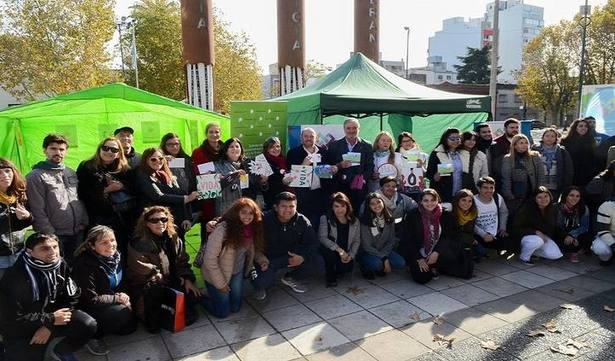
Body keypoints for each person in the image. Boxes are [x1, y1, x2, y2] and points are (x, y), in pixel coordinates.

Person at [0, 233, 97, 361]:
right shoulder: (14, 276)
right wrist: (49, 320)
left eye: (55, 247)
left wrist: (50, 325)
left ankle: (61, 351)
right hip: (25, 326)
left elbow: (72, 296)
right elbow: (11, 318)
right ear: (29, 252)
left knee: (88, 324)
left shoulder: (60, 264)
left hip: (54, 319)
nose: (53, 252)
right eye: (45, 248)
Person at [127, 206, 201, 333]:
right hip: (150, 285)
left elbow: (182, 261)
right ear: (146, 223)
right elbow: (140, 269)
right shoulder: (139, 242)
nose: (160, 223)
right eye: (154, 220)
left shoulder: (174, 238)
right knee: (156, 295)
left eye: (163, 219)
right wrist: (160, 278)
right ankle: (151, 318)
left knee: (192, 296)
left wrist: (187, 278)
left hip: (171, 279)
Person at [71, 226, 137, 355]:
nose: (111, 245)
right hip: (87, 306)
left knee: (129, 328)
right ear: (92, 245)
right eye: (104, 242)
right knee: (122, 313)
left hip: (107, 298)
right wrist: (117, 299)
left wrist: (124, 295)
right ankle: (91, 336)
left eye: (112, 240)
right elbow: (91, 299)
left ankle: (107, 323)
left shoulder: (116, 257)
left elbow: (121, 282)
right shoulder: (84, 265)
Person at [26, 134, 88, 262]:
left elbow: (78, 199)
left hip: (77, 232)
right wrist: (49, 234)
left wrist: (84, 221)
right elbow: (37, 209)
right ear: (45, 150)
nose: (58, 152)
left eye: (61, 149)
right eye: (53, 149)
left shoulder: (70, 172)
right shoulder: (35, 176)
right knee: (57, 269)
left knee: (76, 266)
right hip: (55, 235)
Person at [201, 198, 264, 318]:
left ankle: (217, 296)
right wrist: (220, 284)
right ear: (236, 213)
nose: (247, 216)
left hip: (236, 271)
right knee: (223, 313)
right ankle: (201, 297)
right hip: (216, 273)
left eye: (251, 213)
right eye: (243, 212)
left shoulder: (252, 229)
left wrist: (262, 260)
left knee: (235, 308)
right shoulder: (222, 229)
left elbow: (252, 251)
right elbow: (209, 260)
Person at [252, 192, 317, 300]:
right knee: (261, 283)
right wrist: (259, 257)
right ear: (276, 207)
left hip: (290, 255)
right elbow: (251, 243)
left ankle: (291, 277)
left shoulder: (302, 220)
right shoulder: (263, 220)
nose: (288, 210)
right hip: (268, 258)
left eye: (291, 206)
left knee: (318, 262)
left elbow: (313, 243)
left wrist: (303, 257)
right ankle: (264, 284)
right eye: (284, 206)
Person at [76, 137, 134, 252]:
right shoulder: (87, 166)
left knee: (119, 249)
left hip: (120, 218)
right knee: (99, 249)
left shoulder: (124, 168)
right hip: (97, 217)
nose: (109, 152)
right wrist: (107, 190)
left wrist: (122, 186)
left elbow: (135, 188)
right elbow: (82, 192)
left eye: (114, 150)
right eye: (105, 148)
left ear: (119, 153)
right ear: (99, 149)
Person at [135, 148, 199, 237]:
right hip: (155, 221)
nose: (158, 161)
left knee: (177, 246)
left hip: (175, 220)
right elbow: (157, 196)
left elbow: (180, 193)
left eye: (161, 158)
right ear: (146, 160)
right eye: (153, 159)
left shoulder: (165, 173)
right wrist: (186, 198)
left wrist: (187, 218)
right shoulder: (142, 174)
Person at [287, 127, 334, 229]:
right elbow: (292, 177)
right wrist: (304, 164)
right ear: (301, 138)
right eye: (306, 136)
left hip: (320, 193)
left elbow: (328, 174)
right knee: (303, 222)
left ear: (315, 138)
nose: (308, 138)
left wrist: (331, 170)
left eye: (311, 136)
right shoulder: (293, 153)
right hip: (303, 195)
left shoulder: (324, 152)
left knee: (319, 222)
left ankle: (317, 243)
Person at [405, 189, 456, 284]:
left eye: (433, 200)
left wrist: (436, 252)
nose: (430, 203)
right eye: (426, 200)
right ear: (420, 202)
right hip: (419, 251)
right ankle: (425, 267)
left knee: (454, 260)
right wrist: (419, 258)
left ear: (438, 200)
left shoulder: (445, 214)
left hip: (437, 249)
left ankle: (434, 266)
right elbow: (408, 239)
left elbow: (447, 236)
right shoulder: (413, 215)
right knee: (422, 278)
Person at [326, 118, 374, 211]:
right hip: (340, 187)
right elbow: (330, 166)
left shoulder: (367, 145)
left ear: (359, 129)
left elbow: (370, 165)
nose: (351, 131)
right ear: (344, 129)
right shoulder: (334, 146)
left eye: (354, 128)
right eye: (348, 128)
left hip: (359, 189)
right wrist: (339, 165)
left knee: (357, 213)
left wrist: (363, 179)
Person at [357, 192, 406, 279]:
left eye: (378, 202)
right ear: (368, 206)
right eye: (372, 204)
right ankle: (366, 266)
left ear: (383, 202)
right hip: (368, 252)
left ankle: (381, 266)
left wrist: (384, 255)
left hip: (384, 250)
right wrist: (384, 258)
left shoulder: (389, 219)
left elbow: (391, 241)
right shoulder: (364, 222)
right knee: (377, 264)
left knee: (400, 263)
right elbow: (366, 246)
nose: (376, 205)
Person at [319, 192, 361, 287]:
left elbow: (357, 240)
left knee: (346, 269)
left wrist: (351, 255)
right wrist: (340, 251)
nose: (340, 209)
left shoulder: (355, 221)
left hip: (346, 251)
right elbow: (322, 238)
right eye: (336, 206)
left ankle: (338, 268)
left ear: (347, 207)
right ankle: (330, 276)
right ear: (332, 207)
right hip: (333, 250)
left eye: (342, 206)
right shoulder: (325, 218)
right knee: (327, 252)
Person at [513, 187, 564, 265]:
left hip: (542, 237)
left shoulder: (552, 209)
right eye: (539, 197)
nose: (543, 199)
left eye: (546, 196)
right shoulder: (527, 209)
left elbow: (553, 228)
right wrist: (535, 232)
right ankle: (524, 257)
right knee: (537, 241)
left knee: (556, 255)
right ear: (534, 199)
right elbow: (516, 228)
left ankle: (532, 252)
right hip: (525, 237)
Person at [192, 122, 224, 243]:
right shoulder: (199, 152)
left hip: (225, 191)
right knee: (208, 224)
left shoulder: (225, 149)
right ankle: (205, 253)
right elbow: (196, 171)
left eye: (217, 132)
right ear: (206, 134)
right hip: (208, 192)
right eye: (211, 132)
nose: (214, 134)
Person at [0, 158, 32, 278]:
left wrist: (27, 217)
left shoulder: (18, 194)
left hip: (19, 252)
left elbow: (20, 225)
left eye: (8, 171)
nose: (5, 175)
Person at [214, 138, 262, 216]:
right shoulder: (218, 165)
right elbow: (215, 187)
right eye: (231, 147)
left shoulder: (249, 163)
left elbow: (256, 185)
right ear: (226, 150)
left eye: (237, 146)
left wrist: (263, 181)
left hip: (248, 207)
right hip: (227, 207)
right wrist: (233, 175)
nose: (235, 149)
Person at [426, 128, 474, 203]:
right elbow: (429, 174)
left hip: (461, 194)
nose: (455, 141)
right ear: (445, 139)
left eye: (458, 138)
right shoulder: (437, 153)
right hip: (443, 193)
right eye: (452, 139)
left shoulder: (463, 153)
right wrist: (437, 175)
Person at [501, 134, 546, 213]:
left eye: (526, 143)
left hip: (532, 192)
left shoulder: (535, 156)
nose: (524, 145)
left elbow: (541, 174)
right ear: (515, 145)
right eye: (521, 143)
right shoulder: (508, 159)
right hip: (517, 195)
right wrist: (508, 194)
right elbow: (506, 178)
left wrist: (540, 191)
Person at [531, 128, 574, 202]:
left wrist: (565, 185)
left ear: (556, 138)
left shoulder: (562, 151)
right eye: (547, 136)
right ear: (542, 137)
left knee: (552, 206)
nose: (549, 138)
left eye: (552, 136)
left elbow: (569, 170)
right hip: (538, 185)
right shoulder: (535, 150)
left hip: (555, 186)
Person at [473, 177, 511, 255]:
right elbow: (470, 222)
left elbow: (504, 212)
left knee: (512, 244)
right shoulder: (472, 201)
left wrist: (502, 228)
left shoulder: (497, 198)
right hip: (478, 234)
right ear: (479, 188)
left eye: (491, 188)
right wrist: (483, 234)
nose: (489, 190)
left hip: (495, 233)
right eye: (485, 188)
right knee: (479, 251)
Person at [554, 187, 591, 263]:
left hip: (575, 233)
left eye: (578, 196)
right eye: (571, 195)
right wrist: (566, 235)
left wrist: (573, 235)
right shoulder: (556, 207)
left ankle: (576, 251)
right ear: (565, 196)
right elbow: (555, 227)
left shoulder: (584, 208)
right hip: (560, 233)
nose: (575, 198)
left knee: (586, 237)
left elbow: (584, 227)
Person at [449, 189, 479, 271]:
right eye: (463, 200)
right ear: (457, 200)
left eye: (470, 201)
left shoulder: (473, 213)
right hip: (452, 241)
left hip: (465, 239)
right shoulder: (450, 212)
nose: (467, 203)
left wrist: (471, 239)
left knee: (479, 252)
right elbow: (450, 233)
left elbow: (471, 230)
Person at [561, 118, 596, 188]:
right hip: (570, 175)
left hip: (586, 176)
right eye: (581, 126)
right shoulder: (565, 141)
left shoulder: (591, 141)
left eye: (586, 126)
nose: (584, 128)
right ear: (575, 128)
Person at [395, 132, 428, 199]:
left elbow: (425, 175)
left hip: (419, 189)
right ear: (400, 143)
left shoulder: (423, 156)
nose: (407, 143)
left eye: (409, 140)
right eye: (404, 141)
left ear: (413, 141)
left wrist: (421, 166)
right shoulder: (396, 156)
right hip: (402, 189)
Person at [261, 137, 291, 210]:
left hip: (288, 197)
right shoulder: (262, 161)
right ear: (267, 149)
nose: (276, 149)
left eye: (278, 146)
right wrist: (282, 182)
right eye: (272, 147)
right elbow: (266, 184)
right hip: (273, 201)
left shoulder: (284, 159)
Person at [490, 118, 520, 188]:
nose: (515, 129)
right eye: (512, 127)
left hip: (519, 179)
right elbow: (497, 165)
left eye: (517, 127)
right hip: (502, 180)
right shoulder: (496, 143)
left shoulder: (522, 141)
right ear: (505, 128)